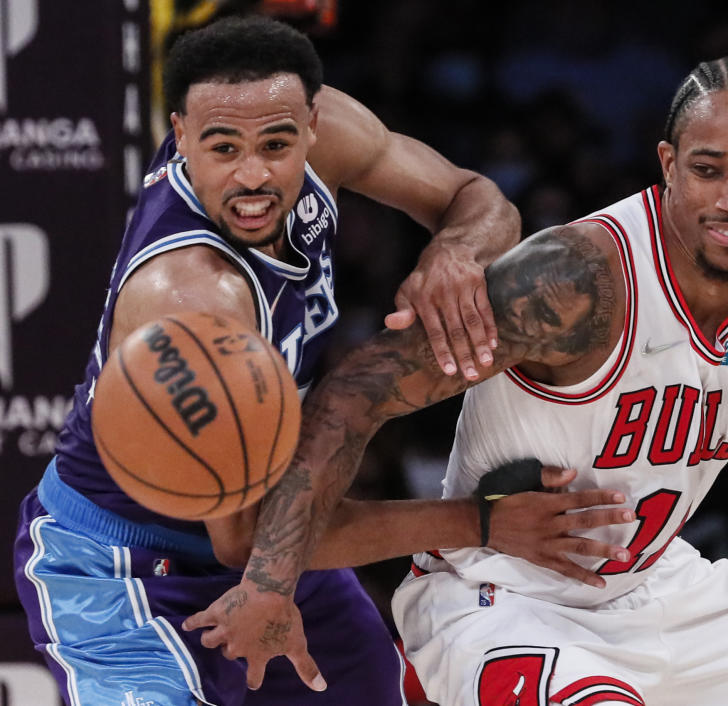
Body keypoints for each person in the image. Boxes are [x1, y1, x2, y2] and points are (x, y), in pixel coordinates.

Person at [192, 54, 728, 705]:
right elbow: (355, 393)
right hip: (499, 594)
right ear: (669, 164)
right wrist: (270, 580)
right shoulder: (576, 281)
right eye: (708, 170)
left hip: (657, 584)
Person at [10, 15, 633, 706]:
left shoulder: (330, 130)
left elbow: (475, 197)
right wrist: (481, 524)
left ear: (311, 125)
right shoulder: (188, 295)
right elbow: (247, 543)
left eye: (276, 145)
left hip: (277, 523)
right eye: (222, 148)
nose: (252, 175)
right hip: (127, 568)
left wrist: (455, 253)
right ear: (181, 136)